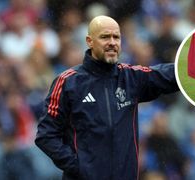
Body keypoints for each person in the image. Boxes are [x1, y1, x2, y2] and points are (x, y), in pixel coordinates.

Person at [35, 15, 179, 180]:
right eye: (105, 37)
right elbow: (46, 135)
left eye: (116, 37)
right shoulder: (68, 82)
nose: (112, 42)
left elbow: (168, 75)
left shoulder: (130, 77)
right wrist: (78, 166)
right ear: (89, 41)